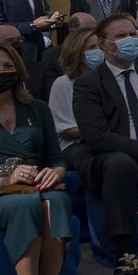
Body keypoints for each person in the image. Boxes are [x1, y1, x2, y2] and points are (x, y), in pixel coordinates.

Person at [0, 39, 72, 275]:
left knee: (56, 202)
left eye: (7, 65)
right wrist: (7, 179)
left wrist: (55, 172)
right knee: (25, 205)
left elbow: (57, 157)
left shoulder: (36, 108)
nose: (1, 71)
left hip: (37, 186)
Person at [71, 13, 138, 275]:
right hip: (114, 154)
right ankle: (126, 255)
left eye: (132, 33)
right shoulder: (88, 85)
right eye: (120, 36)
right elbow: (97, 136)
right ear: (104, 44)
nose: (130, 40)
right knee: (121, 166)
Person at [48, 26, 100, 170]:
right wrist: (101, 130)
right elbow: (65, 131)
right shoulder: (62, 84)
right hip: (75, 147)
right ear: (78, 53)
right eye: (92, 47)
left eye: (100, 46)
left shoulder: (107, 80)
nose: (99, 51)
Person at [37, 12, 94, 100]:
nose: (93, 34)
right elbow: (51, 93)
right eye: (87, 31)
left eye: (95, 30)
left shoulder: (103, 51)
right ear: (72, 31)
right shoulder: (52, 56)